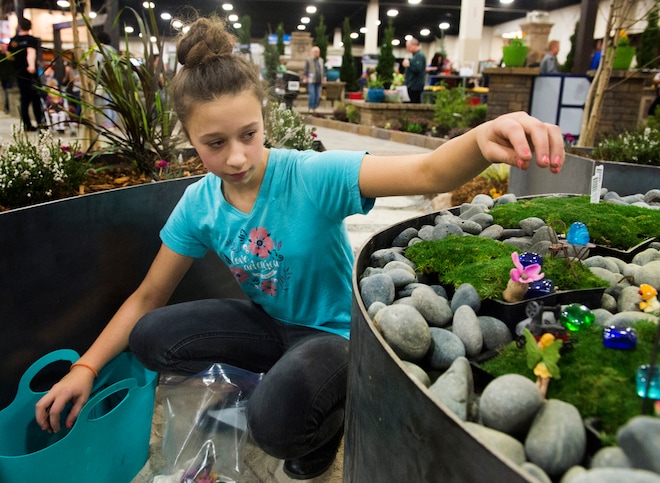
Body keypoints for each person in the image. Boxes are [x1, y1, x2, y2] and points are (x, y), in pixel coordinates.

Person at [35, 16, 564, 481]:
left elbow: (425, 170)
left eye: (249, 134)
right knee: (150, 337)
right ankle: (287, 382)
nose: (239, 157)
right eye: (215, 143)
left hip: (337, 331)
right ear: (189, 137)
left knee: (275, 424)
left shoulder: (308, 176)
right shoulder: (200, 204)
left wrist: (482, 137)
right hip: (271, 325)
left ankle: (321, 422)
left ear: (265, 119)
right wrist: (86, 368)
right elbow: (149, 296)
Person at [7, 17, 45, 131]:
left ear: (19, 27)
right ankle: (40, 122)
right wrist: (31, 66)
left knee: (24, 100)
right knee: (36, 99)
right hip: (30, 74)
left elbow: (10, 56)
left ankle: (27, 125)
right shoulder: (31, 40)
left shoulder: (14, 41)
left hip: (19, 73)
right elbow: (31, 52)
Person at [94, 31, 119, 129]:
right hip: (115, 79)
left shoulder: (102, 49)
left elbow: (97, 62)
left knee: (106, 102)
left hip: (105, 79)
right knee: (113, 102)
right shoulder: (113, 50)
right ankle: (114, 123)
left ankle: (108, 124)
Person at [401, 38, 427, 104]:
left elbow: (417, 69)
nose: (407, 49)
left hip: (415, 86)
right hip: (412, 85)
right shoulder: (415, 56)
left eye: (408, 47)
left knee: (414, 103)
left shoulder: (419, 56)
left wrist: (408, 65)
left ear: (414, 45)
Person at [304, 45, 325, 112]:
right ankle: (311, 107)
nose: (317, 53)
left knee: (318, 94)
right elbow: (306, 69)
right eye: (316, 52)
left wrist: (324, 77)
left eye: (318, 52)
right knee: (312, 93)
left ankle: (315, 108)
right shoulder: (309, 59)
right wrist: (306, 77)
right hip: (311, 79)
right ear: (313, 52)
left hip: (319, 80)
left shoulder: (321, 60)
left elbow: (323, 70)